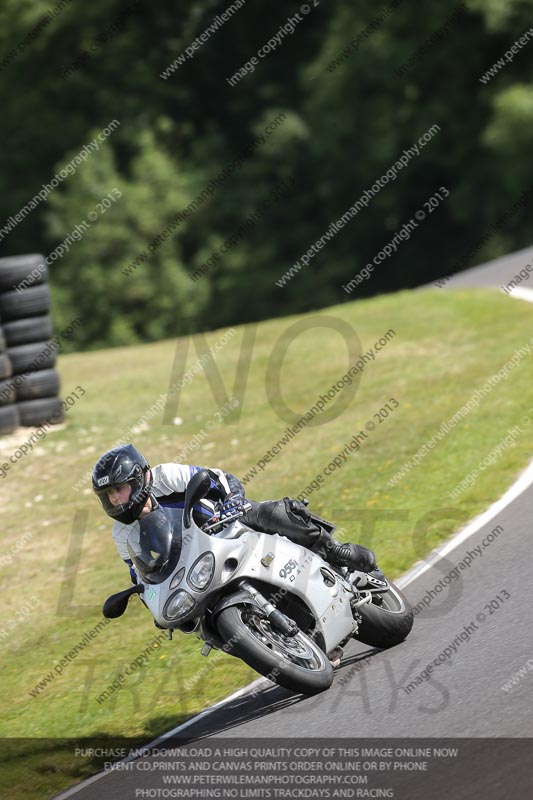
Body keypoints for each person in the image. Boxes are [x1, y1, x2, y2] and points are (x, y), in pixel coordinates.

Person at [92, 443, 377, 589]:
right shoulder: (122, 534)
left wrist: (233, 502)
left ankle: (334, 551)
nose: (115, 499)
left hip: (227, 522)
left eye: (120, 489)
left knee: (273, 513)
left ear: (139, 479)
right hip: (196, 564)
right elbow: (139, 575)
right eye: (109, 495)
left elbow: (219, 478)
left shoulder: (166, 476)